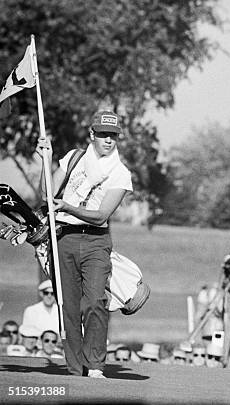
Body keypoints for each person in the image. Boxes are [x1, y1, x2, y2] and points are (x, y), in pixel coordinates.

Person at [36, 110, 133, 378]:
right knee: (69, 305)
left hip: (96, 241)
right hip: (64, 237)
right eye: (103, 134)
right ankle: (75, 368)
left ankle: (95, 365)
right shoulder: (73, 158)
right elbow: (47, 194)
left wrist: (67, 206)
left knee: (94, 302)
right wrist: (45, 160)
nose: (108, 141)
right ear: (92, 135)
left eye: (112, 136)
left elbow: (102, 215)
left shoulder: (121, 173)